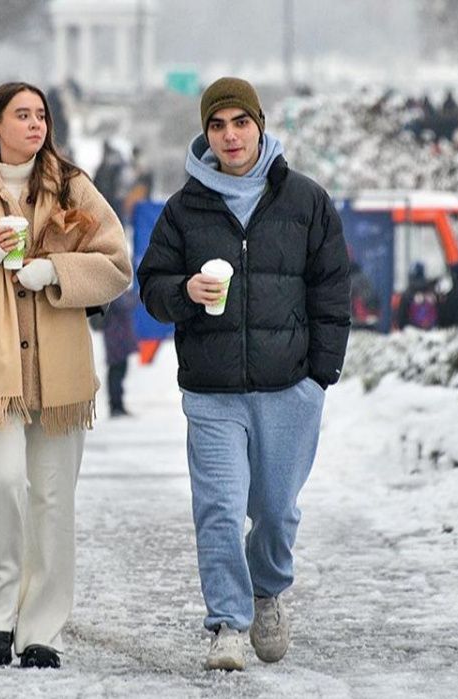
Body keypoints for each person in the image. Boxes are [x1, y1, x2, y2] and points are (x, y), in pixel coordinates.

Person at [0, 82, 132, 670]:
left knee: (54, 501)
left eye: (41, 115)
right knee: (4, 486)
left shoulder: (72, 186)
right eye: (22, 115)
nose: (35, 124)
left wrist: (54, 273)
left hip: (60, 372)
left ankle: (40, 631)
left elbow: (116, 266)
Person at [137, 77, 349, 672]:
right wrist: (183, 290)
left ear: (260, 125)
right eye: (217, 125)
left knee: (277, 510)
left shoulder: (306, 200)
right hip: (213, 390)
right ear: (205, 134)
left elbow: (332, 290)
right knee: (221, 509)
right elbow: (151, 288)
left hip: (289, 388)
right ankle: (228, 623)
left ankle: (267, 592)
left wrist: (320, 375)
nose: (229, 136)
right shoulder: (184, 209)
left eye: (240, 122)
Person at [101, 287, 138, 416]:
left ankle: (117, 405)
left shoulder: (110, 290)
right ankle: (116, 406)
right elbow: (126, 305)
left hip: (116, 337)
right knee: (117, 371)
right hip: (116, 338)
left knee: (117, 370)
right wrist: (136, 295)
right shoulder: (113, 290)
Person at [394, 262, 440, 330]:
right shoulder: (433, 292)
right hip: (434, 331)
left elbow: (401, 320)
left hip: (411, 332)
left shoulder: (407, 295)